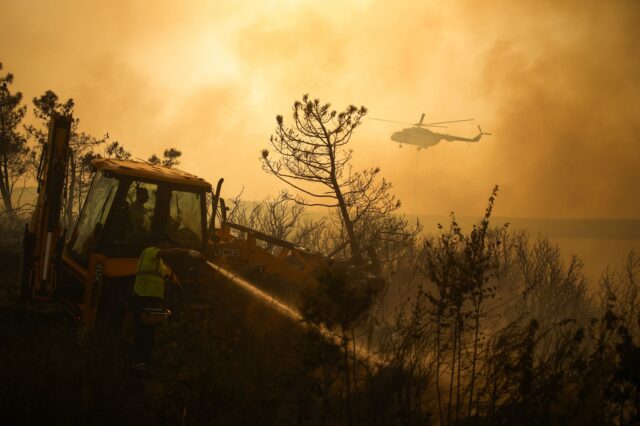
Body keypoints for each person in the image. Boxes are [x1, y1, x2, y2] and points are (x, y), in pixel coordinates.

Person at [131, 231, 203, 371]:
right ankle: (139, 362)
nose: (167, 246)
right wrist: (188, 252)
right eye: (166, 243)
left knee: (147, 330)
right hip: (145, 297)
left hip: (147, 297)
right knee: (145, 331)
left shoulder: (156, 261)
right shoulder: (151, 251)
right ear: (160, 242)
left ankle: (142, 361)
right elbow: (168, 253)